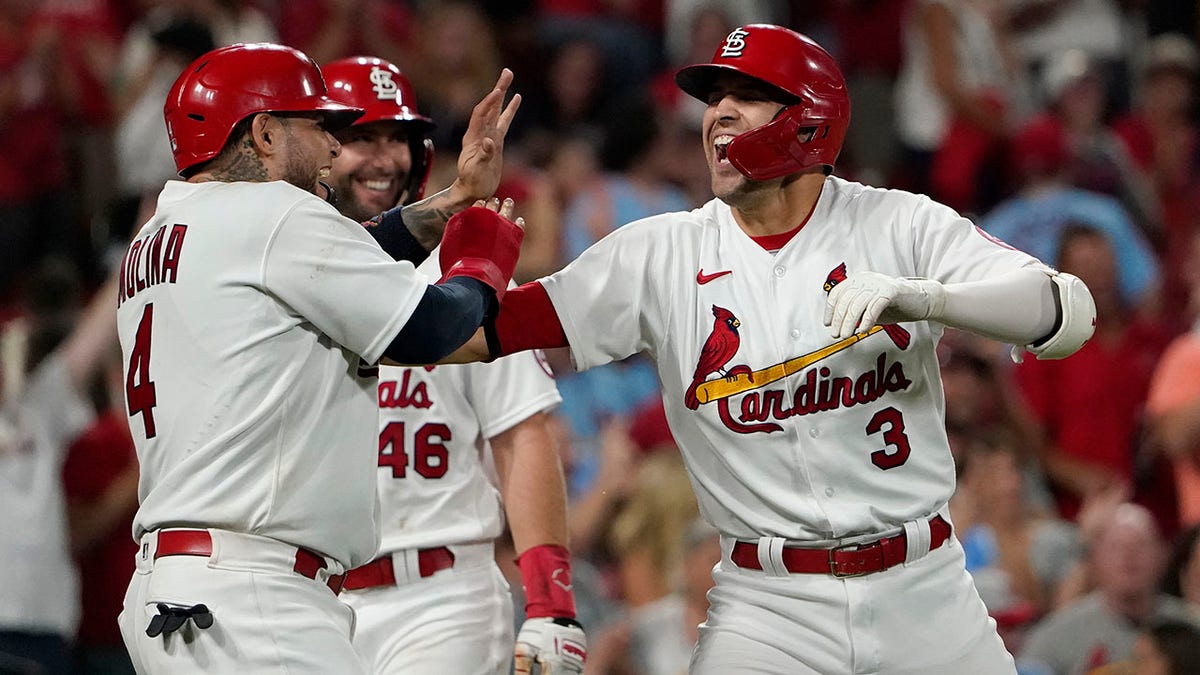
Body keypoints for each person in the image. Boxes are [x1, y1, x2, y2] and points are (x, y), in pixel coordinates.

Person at [451, 24, 1098, 673]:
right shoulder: (662, 254)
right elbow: (471, 331)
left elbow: (1068, 311)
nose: (719, 113)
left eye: (748, 95)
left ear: (810, 121)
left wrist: (927, 299)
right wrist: (450, 226)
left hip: (925, 591)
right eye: (714, 98)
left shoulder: (899, 223)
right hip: (769, 607)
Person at [115, 43, 524, 674]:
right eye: (319, 126)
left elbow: (346, 253)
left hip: (182, 588)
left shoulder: (160, 234)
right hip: (253, 593)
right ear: (265, 131)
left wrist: (453, 200)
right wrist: (483, 263)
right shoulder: (276, 215)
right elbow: (425, 330)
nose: (336, 147)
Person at [319, 56, 585, 674]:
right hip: (312, 598)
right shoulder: (284, 274)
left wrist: (550, 604)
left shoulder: (462, 269)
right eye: (361, 137)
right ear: (321, 147)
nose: (383, 159)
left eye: (398, 139)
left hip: (440, 598)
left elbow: (523, 430)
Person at [1018, 503, 1192, 675]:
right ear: (1095, 559)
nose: (1129, 556)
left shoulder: (1190, 626)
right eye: (1116, 547)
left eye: (1140, 545)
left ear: (1161, 556)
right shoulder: (1056, 635)